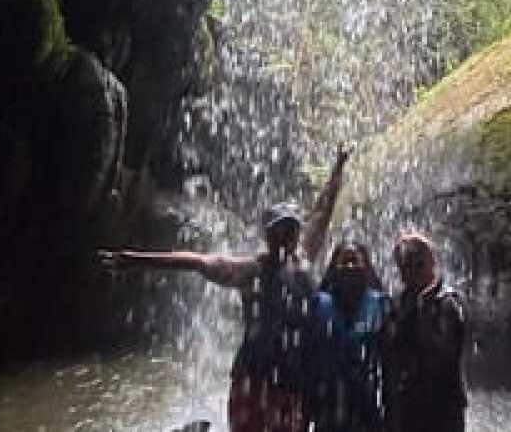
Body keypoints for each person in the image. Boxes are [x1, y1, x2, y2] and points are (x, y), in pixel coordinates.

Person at [97, 146, 350, 432]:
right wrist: (135, 260)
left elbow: (322, 213)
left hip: (293, 379)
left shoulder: (303, 260)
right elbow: (196, 262)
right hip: (252, 378)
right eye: (278, 230)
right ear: (267, 236)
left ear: (295, 233)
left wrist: (337, 171)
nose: (285, 236)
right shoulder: (249, 271)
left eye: (290, 229)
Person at [382, 232, 467, 432]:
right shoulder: (398, 303)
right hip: (406, 405)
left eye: (418, 264)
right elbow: (389, 355)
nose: (411, 272)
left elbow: (442, 355)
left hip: (442, 408)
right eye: (405, 265)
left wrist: (421, 308)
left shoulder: (448, 303)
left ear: (431, 263)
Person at [306, 240, 390, 432]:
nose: (350, 267)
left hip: (366, 400)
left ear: (366, 267)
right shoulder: (319, 305)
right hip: (328, 399)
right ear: (335, 268)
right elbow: (308, 356)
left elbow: (390, 360)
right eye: (344, 262)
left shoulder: (381, 306)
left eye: (355, 261)